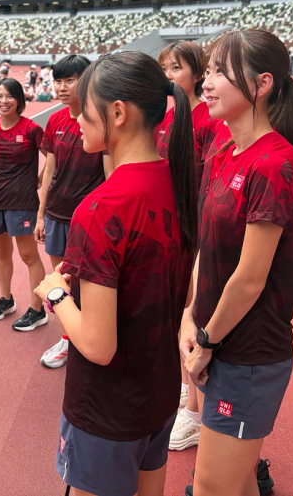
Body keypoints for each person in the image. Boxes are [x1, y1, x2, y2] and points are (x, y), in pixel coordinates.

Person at [33, 51, 197, 496]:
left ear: (118, 113)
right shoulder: (177, 181)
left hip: (108, 408)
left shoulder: (102, 207)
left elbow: (99, 346)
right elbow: (179, 295)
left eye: (85, 112)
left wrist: (55, 295)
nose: (78, 121)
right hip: (158, 393)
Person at [183, 29, 293, 496]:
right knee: (231, 486)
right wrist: (189, 314)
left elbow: (251, 278)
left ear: (261, 84)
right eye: (209, 70)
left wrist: (206, 338)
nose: (207, 82)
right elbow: (208, 248)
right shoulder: (222, 154)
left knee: (211, 487)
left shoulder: (276, 164)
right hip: (219, 341)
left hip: (248, 353)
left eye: (218, 71)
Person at [156, 40, 222, 452]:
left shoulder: (209, 120)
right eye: (164, 69)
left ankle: (195, 414)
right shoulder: (167, 116)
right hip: (173, 227)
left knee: (192, 314)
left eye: (176, 68)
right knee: (178, 312)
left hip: (196, 230)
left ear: (198, 74)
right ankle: (187, 391)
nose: (168, 76)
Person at [34, 55, 110, 369]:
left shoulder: (99, 119)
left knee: (89, 285)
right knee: (61, 283)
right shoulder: (54, 121)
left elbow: (110, 173)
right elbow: (49, 168)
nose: (63, 88)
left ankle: (92, 341)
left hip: (88, 219)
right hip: (56, 213)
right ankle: (68, 340)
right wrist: (40, 215)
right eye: (59, 81)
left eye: (70, 80)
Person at [0, 78, 49, 331]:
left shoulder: (31, 129)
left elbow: (52, 158)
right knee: (2, 253)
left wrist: (40, 179)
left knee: (29, 256)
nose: (3, 101)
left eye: (9, 96)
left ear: (19, 100)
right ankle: (6, 299)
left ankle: (37, 309)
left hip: (22, 201)